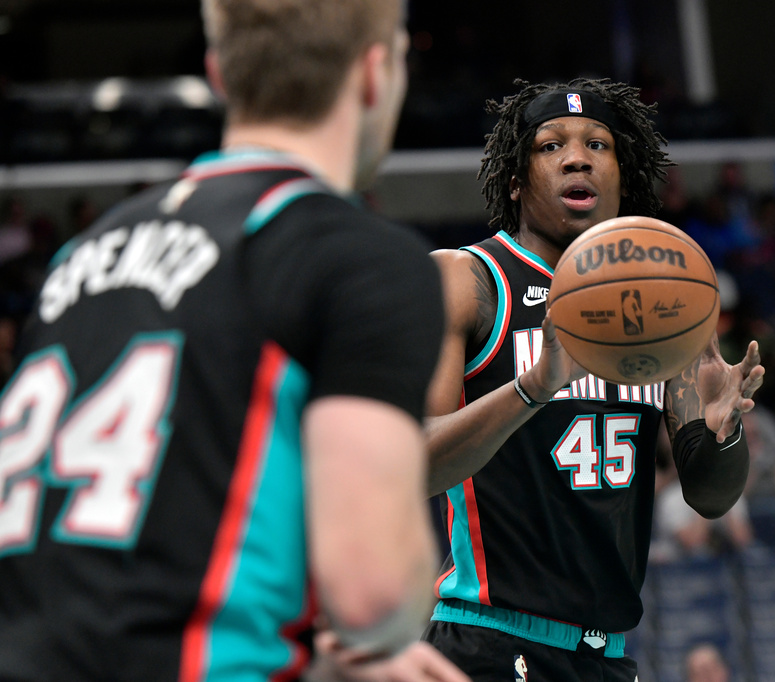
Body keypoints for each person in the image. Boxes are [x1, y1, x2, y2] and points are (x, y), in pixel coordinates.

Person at [0, 1, 468, 681]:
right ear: (376, 72)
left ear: (219, 74)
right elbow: (375, 597)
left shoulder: (82, 254)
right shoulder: (355, 254)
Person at [421, 78, 765, 681]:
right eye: (550, 145)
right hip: (487, 642)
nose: (577, 156)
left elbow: (710, 499)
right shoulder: (466, 281)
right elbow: (411, 463)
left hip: (604, 657)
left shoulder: (664, 309)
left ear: (622, 178)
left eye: (598, 146)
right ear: (516, 179)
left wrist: (721, 433)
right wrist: (534, 387)